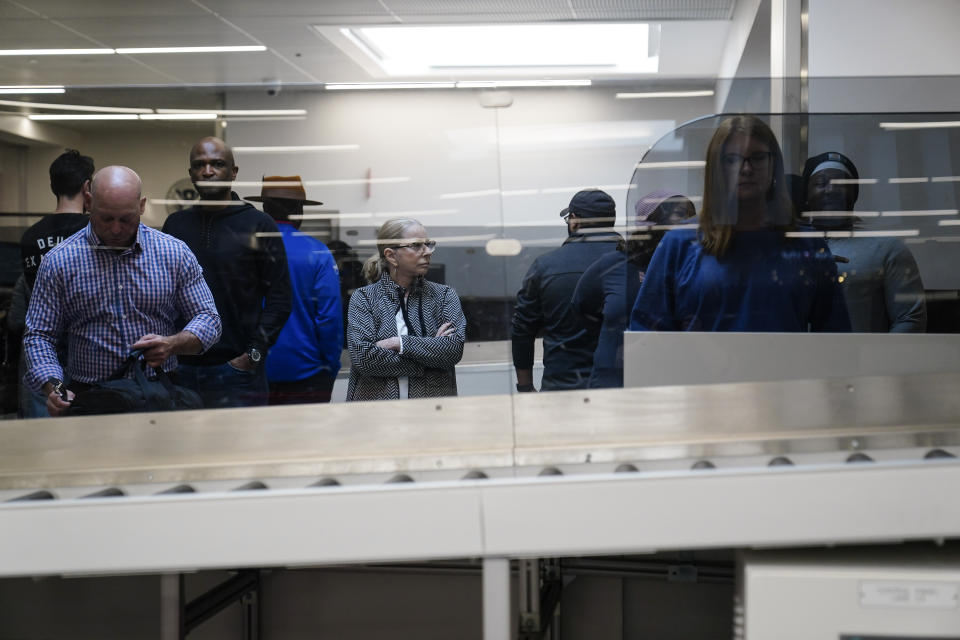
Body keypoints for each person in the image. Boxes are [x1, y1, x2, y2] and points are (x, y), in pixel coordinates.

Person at [22, 166, 221, 417]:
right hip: (90, 395)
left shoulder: (174, 253)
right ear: (89, 202)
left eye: (126, 219)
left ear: (141, 206)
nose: (116, 229)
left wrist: (172, 344)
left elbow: (209, 318)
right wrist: (55, 386)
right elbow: (39, 335)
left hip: (158, 393)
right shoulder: (59, 261)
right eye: (106, 218)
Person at [630, 115, 851, 332]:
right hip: (700, 368)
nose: (745, 169)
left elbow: (835, 338)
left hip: (785, 368)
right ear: (717, 169)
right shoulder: (679, 243)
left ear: (773, 164)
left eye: (757, 157)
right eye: (732, 159)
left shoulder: (806, 244)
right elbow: (648, 334)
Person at [162, 137, 292, 408]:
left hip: (237, 371)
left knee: (242, 450)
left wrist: (254, 353)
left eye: (217, 164)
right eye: (199, 165)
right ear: (191, 174)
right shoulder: (176, 225)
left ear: (233, 172)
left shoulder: (258, 223)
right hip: (180, 370)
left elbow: (280, 299)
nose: (207, 171)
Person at [572, 190, 696, 388]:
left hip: (670, 377)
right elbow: (583, 309)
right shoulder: (612, 266)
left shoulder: (690, 269)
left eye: (691, 216)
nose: (690, 223)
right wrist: (614, 338)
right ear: (652, 221)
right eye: (681, 214)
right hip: (614, 377)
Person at [801, 151, 926, 332]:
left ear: (854, 194)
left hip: (862, 358)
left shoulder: (887, 248)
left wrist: (877, 359)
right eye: (821, 183)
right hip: (798, 357)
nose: (831, 189)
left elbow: (910, 319)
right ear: (806, 194)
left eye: (842, 183)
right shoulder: (789, 249)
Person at [511, 189, 622, 392]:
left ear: (574, 219)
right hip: (620, 386)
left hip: (562, 387)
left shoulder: (546, 266)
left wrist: (525, 387)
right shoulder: (635, 262)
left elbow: (522, 330)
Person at [245, 176, 343, 404]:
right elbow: (329, 319)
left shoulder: (245, 249)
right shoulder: (317, 252)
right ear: (299, 210)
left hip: (251, 368)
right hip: (306, 374)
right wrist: (330, 366)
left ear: (264, 208)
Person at [12, 149, 94, 417]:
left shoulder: (31, 237)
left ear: (53, 186)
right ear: (87, 186)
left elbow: (28, 297)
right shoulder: (94, 232)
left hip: (41, 347)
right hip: (86, 345)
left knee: (42, 433)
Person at [346, 218, 465, 401]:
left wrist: (398, 343)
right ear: (391, 255)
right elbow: (364, 359)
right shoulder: (365, 298)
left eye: (428, 244)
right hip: (376, 411)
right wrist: (430, 356)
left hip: (432, 410)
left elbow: (452, 350)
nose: (427, 252)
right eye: (417, 245)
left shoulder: (444, 296)